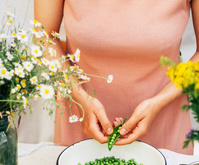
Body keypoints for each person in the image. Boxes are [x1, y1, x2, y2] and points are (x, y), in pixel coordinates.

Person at [34, 0, 199, 154]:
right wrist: (78, 95)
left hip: (164, 124)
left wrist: (158, 102)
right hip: (80, 118)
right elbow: (43, 36)